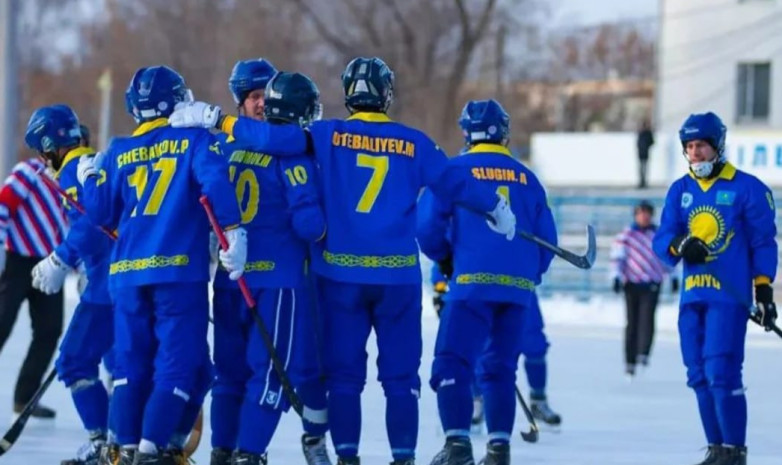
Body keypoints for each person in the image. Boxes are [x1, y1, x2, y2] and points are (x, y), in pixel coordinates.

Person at [168, 56, 517, 465]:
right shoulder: (416, 142)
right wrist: (494, 204)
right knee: (401, 381)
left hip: (339, 276)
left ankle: (345, 457)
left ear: (349, 94)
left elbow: (274, 140)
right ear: (386, 94)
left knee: (344, 380)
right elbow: (455, 183)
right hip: (397, 280)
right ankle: (402, 458)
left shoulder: (326, 134)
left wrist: (218, 120)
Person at [76, 65, 245, 465]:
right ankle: (152, 448)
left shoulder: (117, 150)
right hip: (175, 271)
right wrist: (235, 230)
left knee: (130, 363)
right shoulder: (194, 139)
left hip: (126, 275)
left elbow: (100, 213)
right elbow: (216, 183)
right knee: (179, 361)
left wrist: (89, 178)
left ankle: (123, 447)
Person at [417, 99, 556, 465]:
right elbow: (547, 240)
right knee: (500, 369)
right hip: (517, 292)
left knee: (451, 362)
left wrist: (443, 256)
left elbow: (428, 225)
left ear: (467, 134)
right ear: (504, 133)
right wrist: (528, 276)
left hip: (471, 286)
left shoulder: (454, 170)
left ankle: (457, 444)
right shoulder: (528, 178)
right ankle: (498, 449)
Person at [210, 63, 332, 465]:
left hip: (230, 278)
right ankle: (247, 454)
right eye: (254, 96)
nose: (262, 103)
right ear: (241, 102)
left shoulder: (224, 149)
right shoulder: (293, 151)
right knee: (269, 374)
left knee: (229, 374)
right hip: (276, 282)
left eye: (267, 95)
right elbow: (309, 225)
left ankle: (222, 452)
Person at [652, 112, 777, 465]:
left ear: (717, 147)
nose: (696, 153)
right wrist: (679, 244)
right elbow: (662, 240)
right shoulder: (680, 190)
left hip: (728, 297)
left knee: (721, 371)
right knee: (697, 375)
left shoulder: (747, 188)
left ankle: (735, 450)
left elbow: (763, 242)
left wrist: (764, 290)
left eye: (702, 146)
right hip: (693, 296)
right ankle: (717, 449)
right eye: (690, 147)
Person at [23, 105, 115, 464]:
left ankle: (104, 443)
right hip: (115, 282)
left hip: (106, 287)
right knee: (123, 367)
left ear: (49, 144)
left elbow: (92, 223)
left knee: (75, 362)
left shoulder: (75, 170)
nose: (42, 160)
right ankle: (126, 443)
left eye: (41, 151)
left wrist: (61, 258)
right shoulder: (92, 164)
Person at [429, 265, 561, 431]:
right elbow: (444, 247)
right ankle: (478, 400)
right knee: (479, 348)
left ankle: (538, 401)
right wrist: (439, 288)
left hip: (518, 286)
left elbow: (542, 247)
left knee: (534, 342)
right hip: (477, 288)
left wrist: (532, 270)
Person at [0, 116, 69, 420]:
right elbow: (3, 206)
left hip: (48, 266)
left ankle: (24, 397)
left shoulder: (69, 180)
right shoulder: (29, 172)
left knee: (49, 330)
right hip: (17, 261)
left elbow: (69, 225)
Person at [610, 200, 678, 377]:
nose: (644, 217)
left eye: (647, 213)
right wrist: (616, 277)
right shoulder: (627, 235)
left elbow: (667, 258)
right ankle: (629, 360)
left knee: (647, 319)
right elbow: (618, 257)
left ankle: (643, 352)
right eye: (641, 213)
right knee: (632, 322)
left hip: (652, 282)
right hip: (632, 283)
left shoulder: (658, 235)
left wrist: (673, 277)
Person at [637, 119, 654, 189]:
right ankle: (641, 182)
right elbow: (638, 143)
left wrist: (646, 146)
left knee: (644, 168)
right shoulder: (641, 133)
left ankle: (644, 182)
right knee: (641, 169)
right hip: (641, 153)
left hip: (645, 153)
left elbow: (652, 142)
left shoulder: (648, 133)